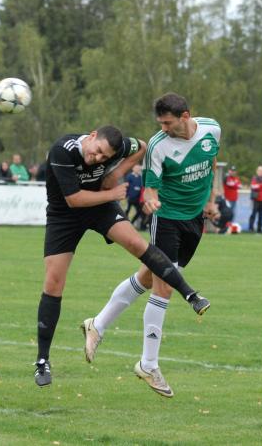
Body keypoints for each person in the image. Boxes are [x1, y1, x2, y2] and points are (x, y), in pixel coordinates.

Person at [33, 125, 208, 388]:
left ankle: (190, 294)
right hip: (64, 216)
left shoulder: (121, 145)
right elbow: (74, 200)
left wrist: (117, 172)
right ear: (92, 136)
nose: (98, 158)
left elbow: (143, 145)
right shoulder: (63, 150)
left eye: (105, 157)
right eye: (97, 152)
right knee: (54, 282)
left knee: (138, 244)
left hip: (100, 207)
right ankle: (42, 361)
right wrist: (112, 192)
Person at [82, 93, 220, 398]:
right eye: (161, 123)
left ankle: (97, 324)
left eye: (169, 123)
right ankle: (148, 364)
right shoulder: (159, 145)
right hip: (167, 219)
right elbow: (150, 190)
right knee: (164, 287)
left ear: (186, 116)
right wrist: (151, 199)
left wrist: (211, 202)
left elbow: (211, 166)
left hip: (194, 219)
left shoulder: (212, 129)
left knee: (147, 277)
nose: (165, 128)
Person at [249, 165, 262, 233]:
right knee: (253, 214)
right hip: (255, 199)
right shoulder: (254, 178)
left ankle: (259, 229)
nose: (260, 172)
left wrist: (260, 186)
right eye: (259, 170)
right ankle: (251, 228)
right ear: (257, 171)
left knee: (261, 215)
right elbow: (254, 186)